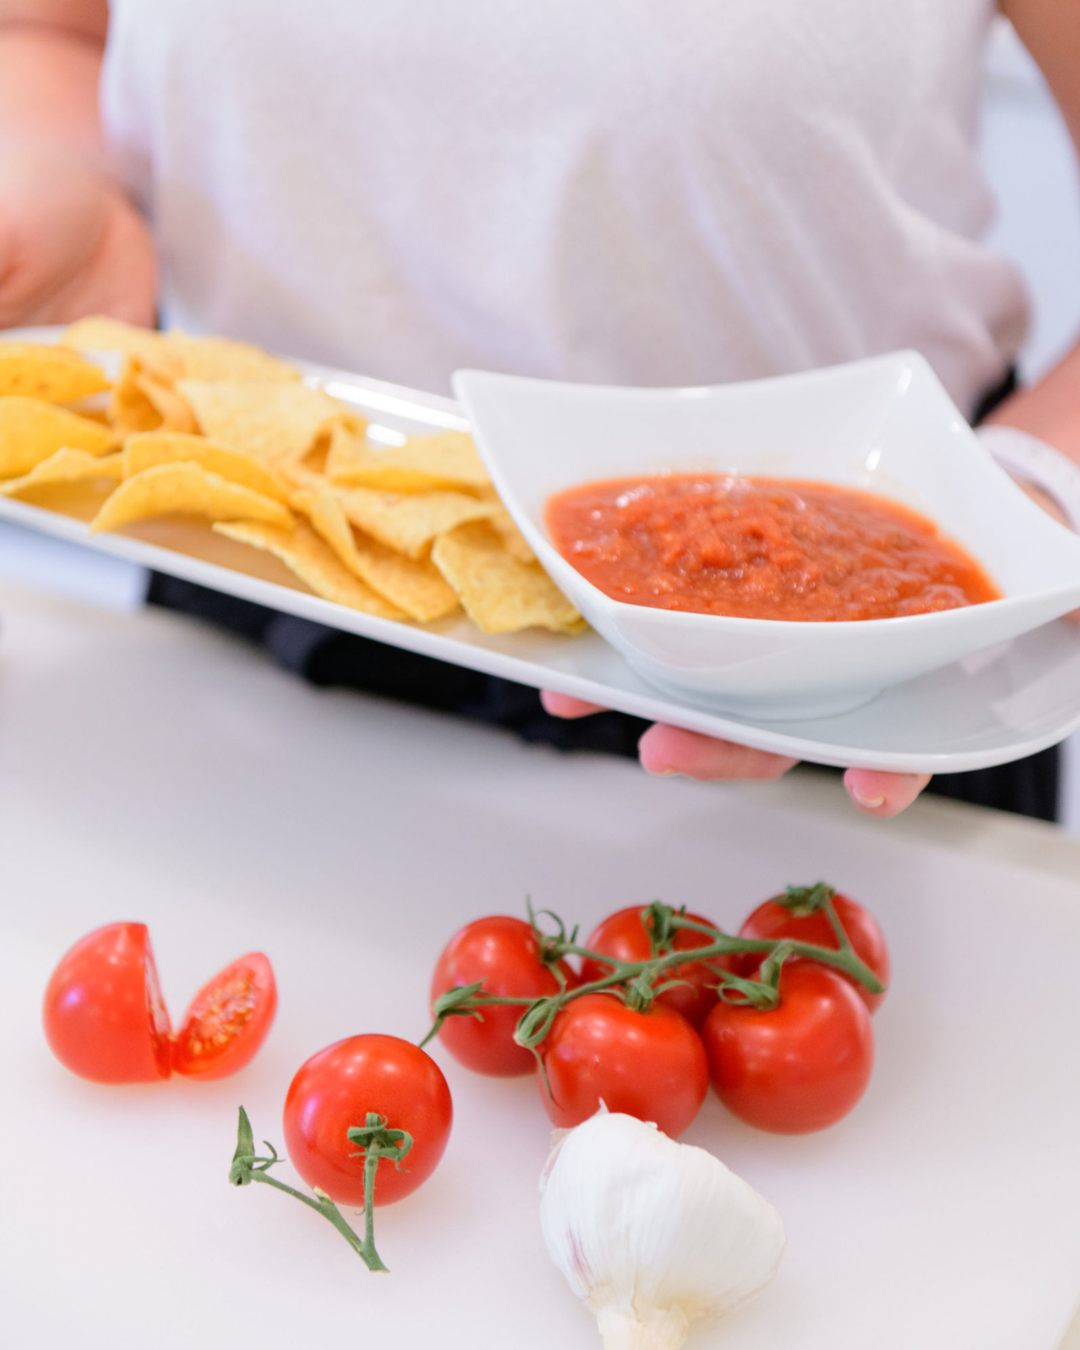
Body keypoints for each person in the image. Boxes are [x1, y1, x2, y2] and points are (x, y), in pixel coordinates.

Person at [0, 0, 1077, 821]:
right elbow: (53, 27)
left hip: (868, 681)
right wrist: (63, 186)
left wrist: (1036, 500)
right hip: (259, 579)